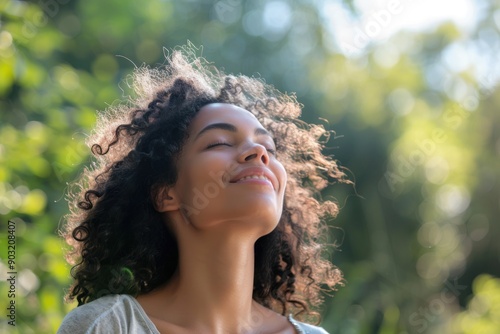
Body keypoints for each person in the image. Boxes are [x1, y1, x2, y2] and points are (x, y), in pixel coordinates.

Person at [57, 45, 347, 334]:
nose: (259, 152)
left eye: (269, 147)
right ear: (165, 193)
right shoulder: (108, 326)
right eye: (219, 142)